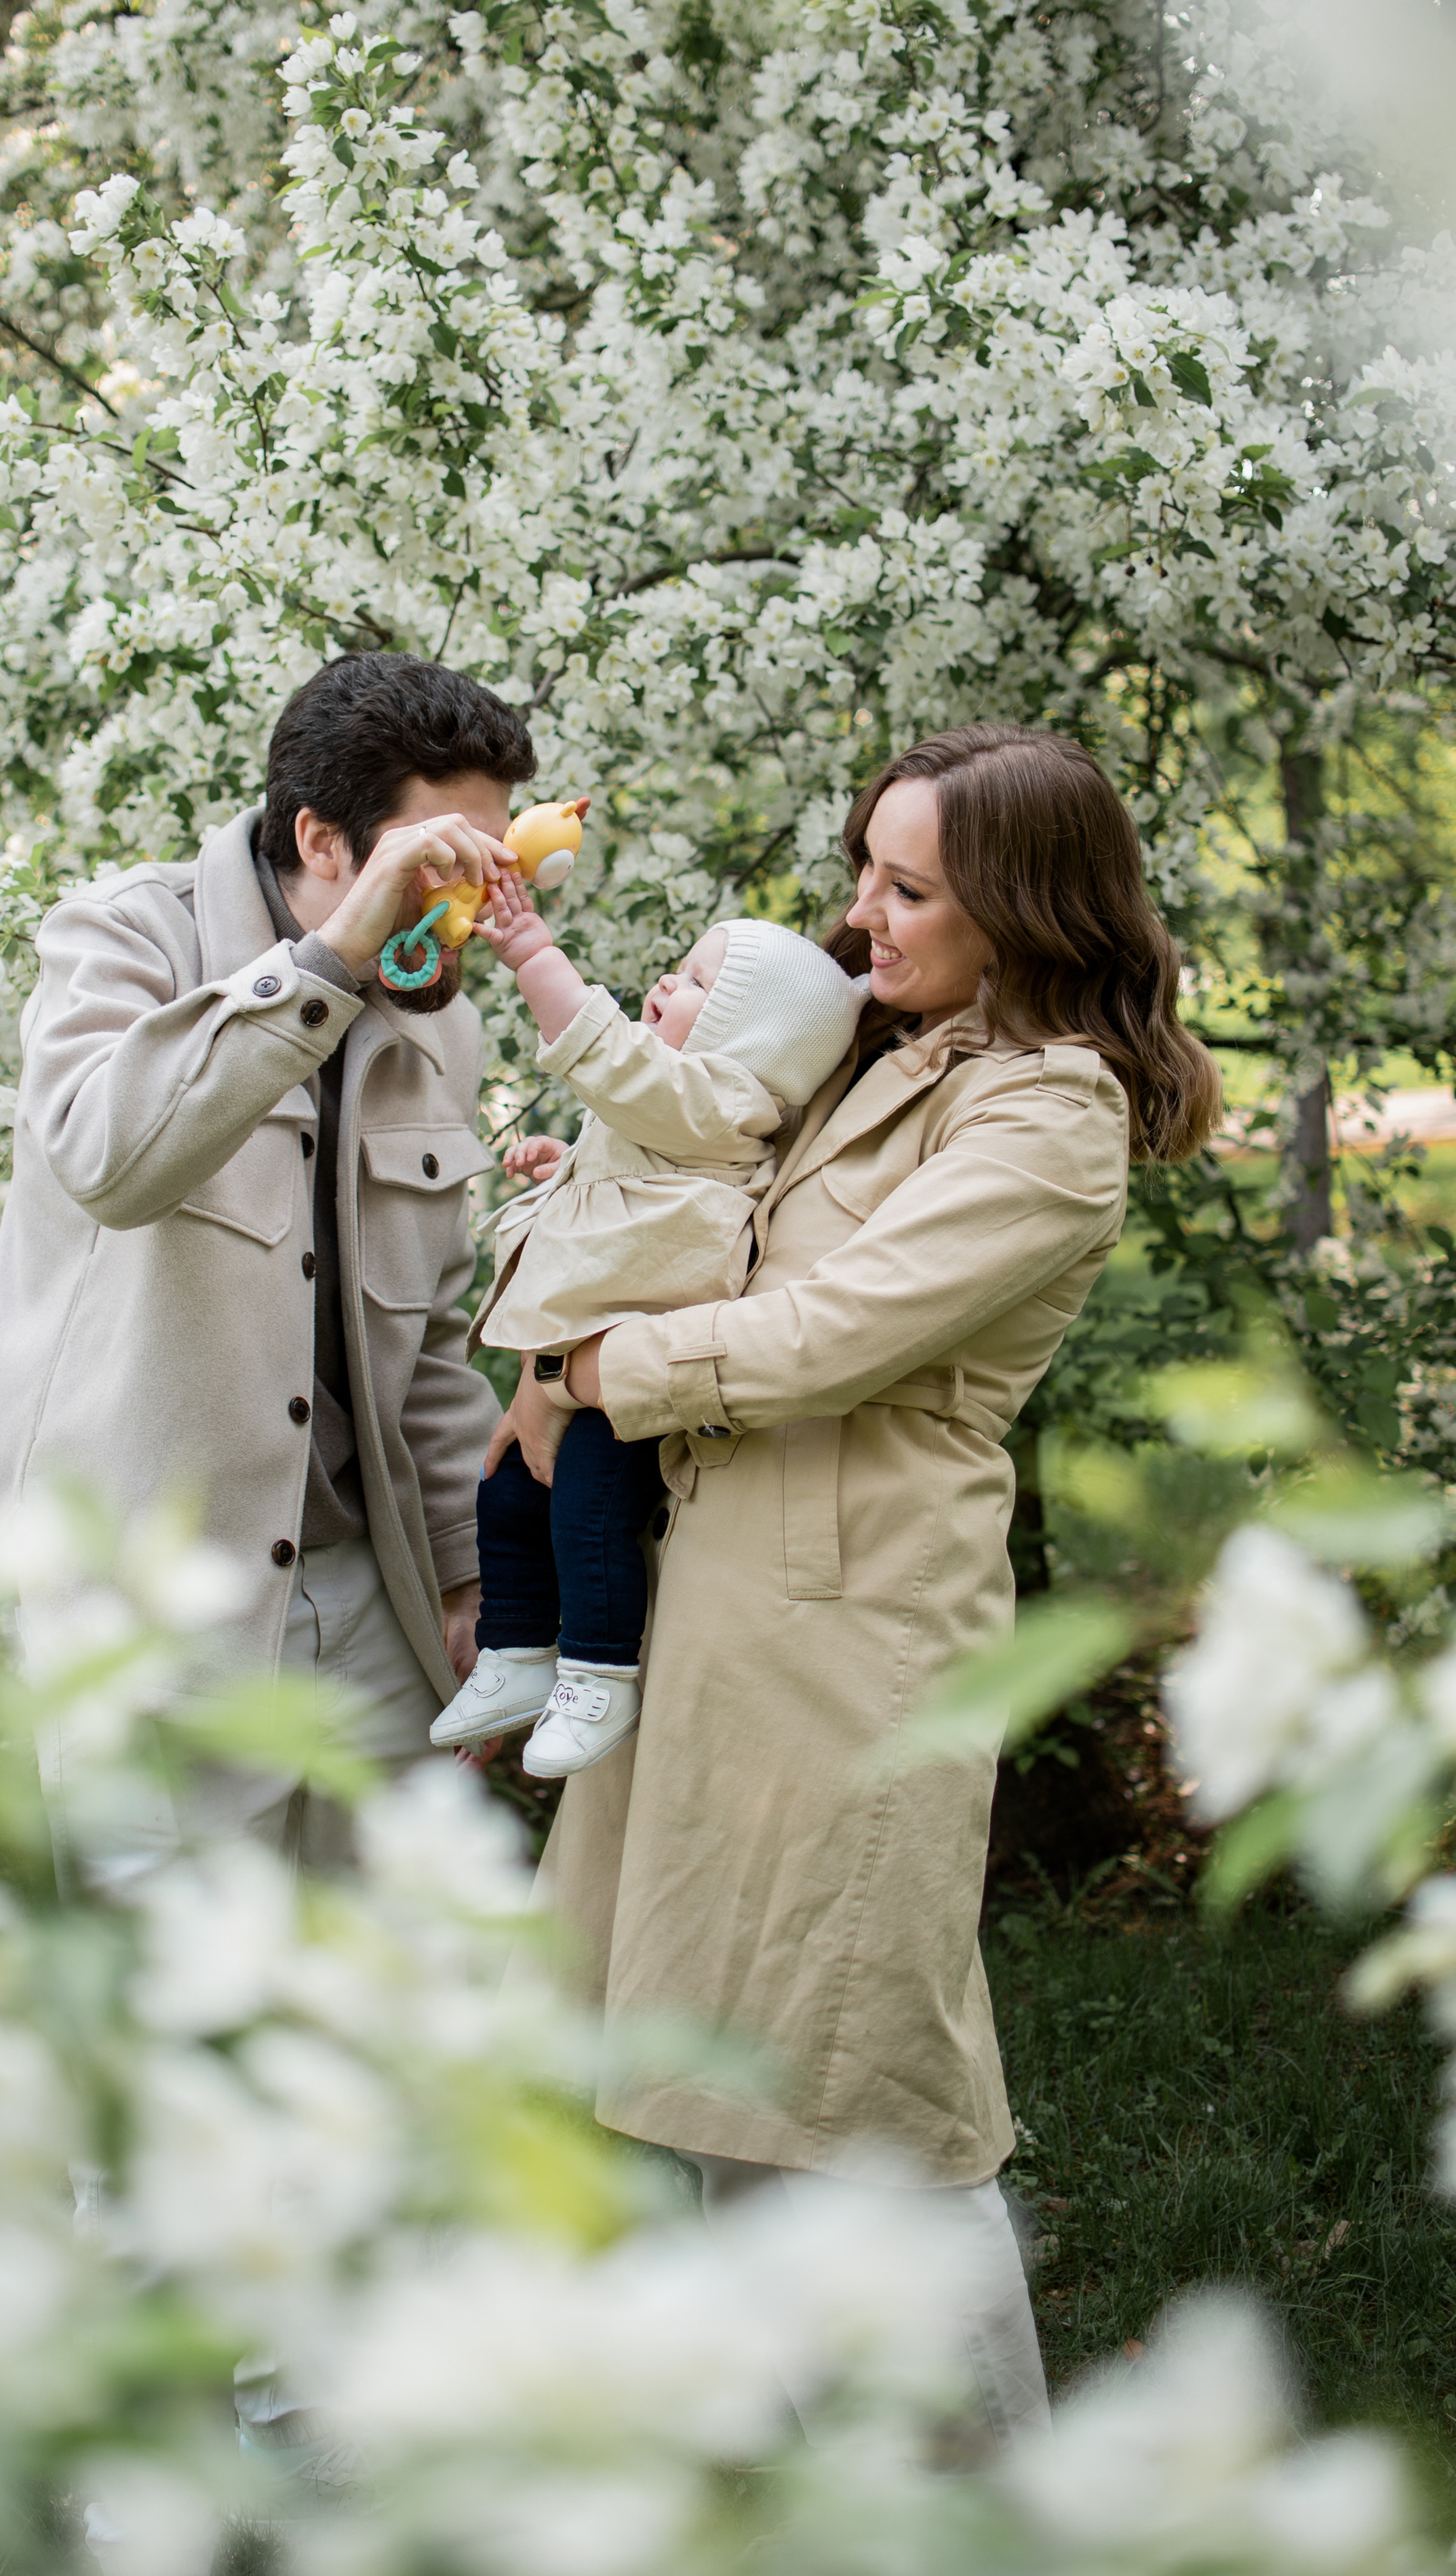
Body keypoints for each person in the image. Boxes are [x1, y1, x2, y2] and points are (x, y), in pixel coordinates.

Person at [490, 723, 1224, 2440]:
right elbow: (716, 1194)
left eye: (909, 888)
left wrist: (599, 1369)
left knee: (857, 2096)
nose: (863, 914)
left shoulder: (1046, 1116)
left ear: (1025, 913)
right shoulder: (870, 1049)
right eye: (865, 870)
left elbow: (832, 1334)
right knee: (695, 2071)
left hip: (846, 1638)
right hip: (708, 1609)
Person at [0, 651, 537, 1876]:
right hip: (146, 1612)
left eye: (499, 864)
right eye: (443, 866)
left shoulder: (447, 1029)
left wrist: (464, 1570)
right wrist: (326, 966)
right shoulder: (122, 937)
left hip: (374, 1607)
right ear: (327, 841)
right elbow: (115, 1160)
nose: (477, 908)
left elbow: (428, 1334)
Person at [430, 875, 863, 1777]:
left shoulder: (726, 1101)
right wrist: (564, 1166)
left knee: (590, 1511)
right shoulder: (680, 1115)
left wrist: (532, 955)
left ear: (755, 1038)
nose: (668, 982)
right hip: (589, 1349)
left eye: (699, 983)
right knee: (507, 1487)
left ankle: (598, 1672)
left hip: (638, 1363)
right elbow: (635, 1190)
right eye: (681, 966)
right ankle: (515, 1653)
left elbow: (613, 1062)